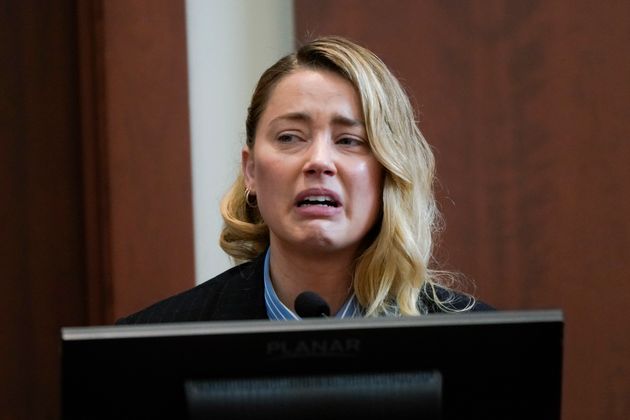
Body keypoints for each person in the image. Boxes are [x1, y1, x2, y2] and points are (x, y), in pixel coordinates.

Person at [117, 36, 491, 325]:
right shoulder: (147, 346)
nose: (318, 161)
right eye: (290, 137)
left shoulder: (481, 345)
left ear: (387, 173)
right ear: (251, 171)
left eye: (349, 141)